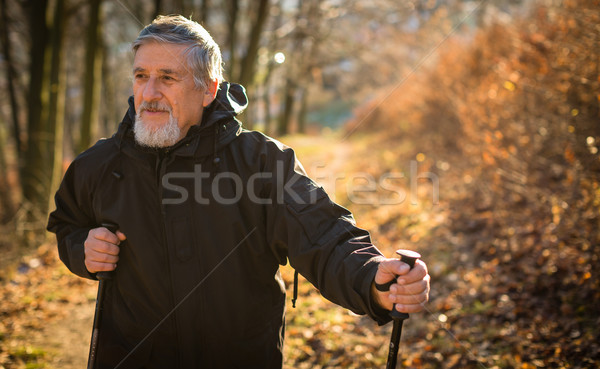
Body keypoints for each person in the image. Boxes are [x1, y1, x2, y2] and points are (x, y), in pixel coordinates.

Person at [47, 15, 430, 368]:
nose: (149, 92)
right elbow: (67, 223)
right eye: (141, 76)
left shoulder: (261, 162)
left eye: (167, 78)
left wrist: (373, 277)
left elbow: (324, 236)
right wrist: (82, 248)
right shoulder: (99, 164)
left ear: (208, 90)